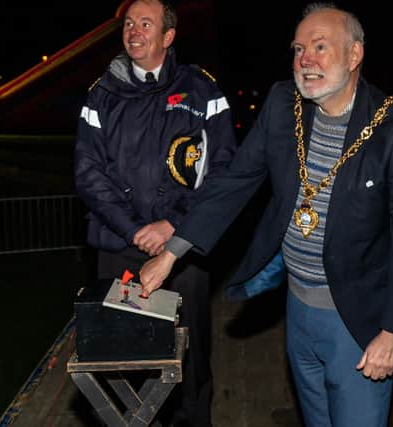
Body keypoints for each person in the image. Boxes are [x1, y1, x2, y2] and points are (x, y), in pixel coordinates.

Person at [140, 3, 393, 427]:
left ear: (354, 56)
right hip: (298, 309)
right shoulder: (284, 103)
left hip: (360, 319)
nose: (306, 60)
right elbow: (234, 182)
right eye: (298, 49)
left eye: (320, 47)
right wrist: (170, 254)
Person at [73, 0, 237, 425]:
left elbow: (221, 171)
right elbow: (87, 173)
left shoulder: (202, 89)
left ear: (168, 37)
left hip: (182, 249)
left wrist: (173, 225)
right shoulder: (101, 93)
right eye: (129, 23)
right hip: (118, 247)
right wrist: (133, 230)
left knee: (191, 357)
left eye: (146, 23)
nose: (134, 31)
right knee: (121, 357)